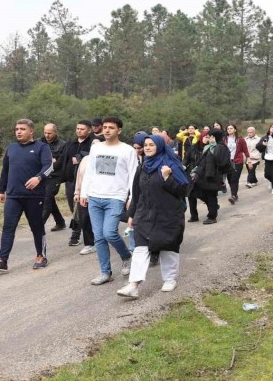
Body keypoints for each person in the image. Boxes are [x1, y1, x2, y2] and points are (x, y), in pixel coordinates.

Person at [117, 135, 189, 298]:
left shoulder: (170, 165)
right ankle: (133, 285)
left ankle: (170, 279)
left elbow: (184, 190)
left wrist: (167, 178)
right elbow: (136, 193)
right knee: (140, 248)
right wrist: (132, 214)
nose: (148, 147)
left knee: (167, 247)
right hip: (144, 215)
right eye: (146, 145)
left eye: (151, 145)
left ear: (160, 146)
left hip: (168, 215)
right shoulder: (142, 167)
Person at [0, 119, 53, 272]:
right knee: (8, 227)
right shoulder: (11, 148)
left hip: (34, 196)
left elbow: (49, 166)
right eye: (16, 129)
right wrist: (1, 190)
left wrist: (39, 177)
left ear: (31, 131)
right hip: (13, 195)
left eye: (22, 129)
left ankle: (41, 256)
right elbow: (5, 171)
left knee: (36, 226)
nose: (18, 131)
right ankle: (2, 260)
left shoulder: (42, 147)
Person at [79, 116, 138, 285]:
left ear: (119, 130)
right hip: (95, 196)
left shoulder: (127, 150)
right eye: (104, 127)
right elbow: (89, 172)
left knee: (110, 232)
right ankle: (105, 272)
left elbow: (133, 176)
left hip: (115, 197)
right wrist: (84, 192)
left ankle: (126, 256)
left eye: (111, 127)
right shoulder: (96, 148)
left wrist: (132, 197)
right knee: (98, 237)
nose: (106, 130)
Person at [59, 120, 94, 246]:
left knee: (82, 209)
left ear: (89, 130)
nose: (79, 130)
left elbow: (94, 157)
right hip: (70, 181)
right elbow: (63, 160)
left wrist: (81, 157)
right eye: (77, 128)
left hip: (85, 181)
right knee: (73, 207)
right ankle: (77, 231)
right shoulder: (70, 144)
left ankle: (80, 235)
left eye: (82, 129)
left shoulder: (93, 143)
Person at [189, 129, 230, 224]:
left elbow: (222, 162)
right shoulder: (209, 147)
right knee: (200, 193)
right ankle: (213, 209)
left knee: (211, 196)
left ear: (216, 137)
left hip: (214, 176)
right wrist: (196, 171)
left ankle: (212, 216)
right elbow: (202, 161)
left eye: (211, 137)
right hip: (204, 176)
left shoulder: (221, 147)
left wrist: (214, 150)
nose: (209, 138)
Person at [41, 123, 67, 232]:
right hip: (42, 175)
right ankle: (60, 222)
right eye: (45, 133)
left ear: (55, 132)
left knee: (47, 197)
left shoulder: (63, 145)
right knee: (49, 198)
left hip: (55, 176)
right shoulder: (39, 142)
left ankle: (39, 225)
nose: (47, 135)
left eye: (49, 133)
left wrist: (47, 164)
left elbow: (60, 163)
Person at [182, 131, 204, 221]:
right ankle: (194, 216)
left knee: (203, 193)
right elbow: (186, 158)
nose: (207, 139)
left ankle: (212, 205)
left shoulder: (210, 148)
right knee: (190, 194)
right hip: (190, 172)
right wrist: (183, 165)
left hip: (203, 172)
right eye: (205, 137)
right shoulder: (193, 148)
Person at [224, 124, 249, 204]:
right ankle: (234, 193)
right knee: (230, 179)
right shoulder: (224, 139)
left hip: (237, 161)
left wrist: (248, 159)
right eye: (228, 129)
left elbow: (245, 150)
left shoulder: (240, 139)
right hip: (227, 162)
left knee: (235, 178)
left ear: (235, 130)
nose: (229, 130)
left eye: (231, 128)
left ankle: (233, 195)